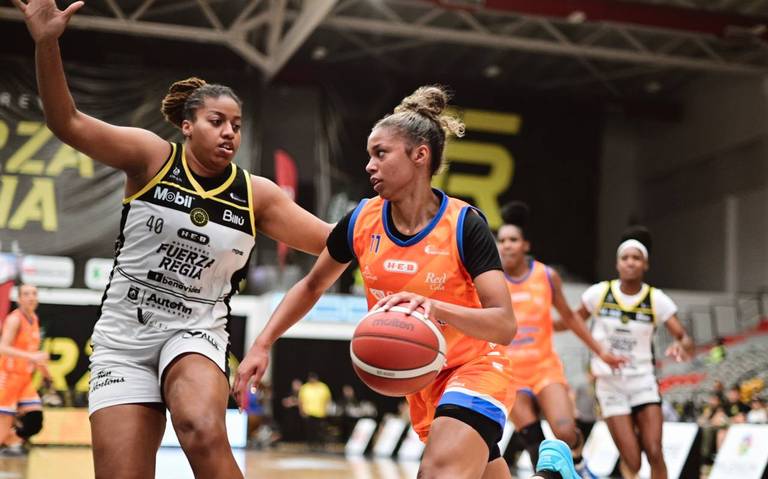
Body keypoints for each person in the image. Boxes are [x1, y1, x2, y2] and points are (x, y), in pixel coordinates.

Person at [12, 1, 332, 477]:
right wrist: (46, 44)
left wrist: (404, 216)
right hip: (124, 337)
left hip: (195, 330)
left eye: (236, 125)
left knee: (200, 427)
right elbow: (68, 123)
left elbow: (337, 241)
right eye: (216, 121)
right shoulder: (151, 158)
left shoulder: (256, 194)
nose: (229, 133)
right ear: (187, 126)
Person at [234, 85, 525, 478]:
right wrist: (262, 344)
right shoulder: (361, 220)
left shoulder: (464, 225)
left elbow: (504, 324)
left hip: (476, 368)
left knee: (437, 473)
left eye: (381, 153)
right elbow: (312, 286)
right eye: (369, 155)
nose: (370, 165)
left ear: (420, 155)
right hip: (422, 380)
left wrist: (436, 308)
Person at [497, 202, 625, 478]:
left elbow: (570, 317)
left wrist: (600, 351)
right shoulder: (492, 280)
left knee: (565, 432)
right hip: (509, 373)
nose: (506, 245)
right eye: (502, 240)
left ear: (526, 245)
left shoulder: (546, 276)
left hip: (544, 368)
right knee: (533, 440)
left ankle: (578, 464)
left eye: (513, 240)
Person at [576, 226, 694, 479]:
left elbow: (684, 337)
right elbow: (573, 320)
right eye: (625, 258)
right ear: (617, 264)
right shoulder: (599, 293)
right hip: (610, 384)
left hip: (643, 382)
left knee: (654, 451)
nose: (630, 262)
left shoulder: (656, 298)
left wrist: (681, 345)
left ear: (645, 264)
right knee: (633, 460)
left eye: (636, 258)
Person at [0, 284, 48, 456]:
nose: (31, 297)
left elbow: (33, 353)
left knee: (34, 421)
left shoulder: (34, 319)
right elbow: (2, 347)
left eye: (34, 293)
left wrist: (47, 375)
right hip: (8, 377)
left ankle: (10, 441)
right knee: (3, 426)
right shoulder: (15, 319)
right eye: (26, 294)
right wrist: (31, 356)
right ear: (19, 299)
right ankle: (6, 442)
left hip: (24, 379)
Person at [298, 372, 332, 451]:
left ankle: (321, 445)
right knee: (310, 430)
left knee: (321, 430)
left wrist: (327, 409)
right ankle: (311, 445)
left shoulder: (323, 387)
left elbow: (328, 399)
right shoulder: (305, 387)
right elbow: (300, 400)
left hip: (321, 413)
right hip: (309, 412)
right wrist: (301, 410)